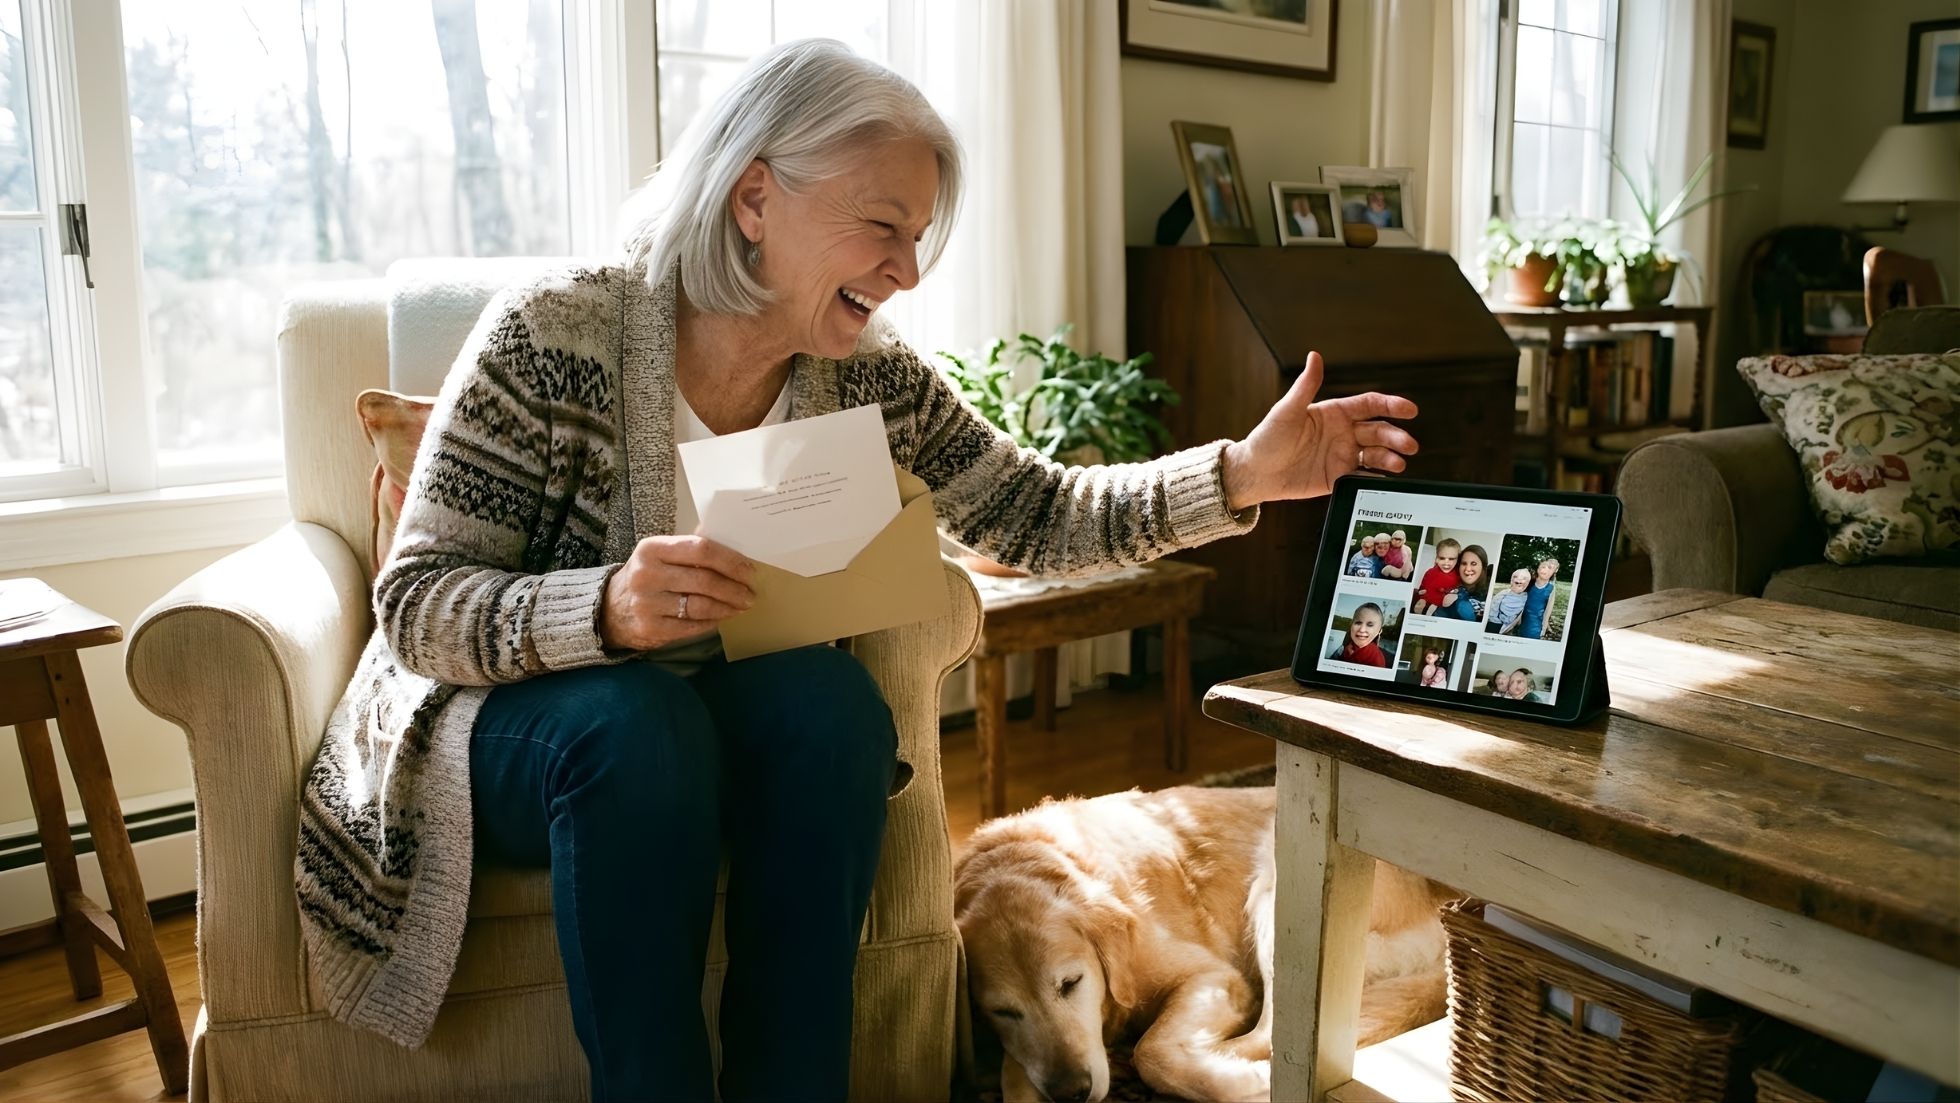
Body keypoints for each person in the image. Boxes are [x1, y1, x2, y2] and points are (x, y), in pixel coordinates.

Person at [296, 39, 1422, 1103]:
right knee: (634, 726)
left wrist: (1238, 475)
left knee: (831, 705)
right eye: (882, 224)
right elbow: (415, 604)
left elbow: (1035, 510)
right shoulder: (553, 333)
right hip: (510, 732)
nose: (909, 269)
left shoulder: (866, 377)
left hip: (704, 718)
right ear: (753, 200)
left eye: (920, 232)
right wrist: (603, 604)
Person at [1436, 544, 1491, 622]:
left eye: (1473, 564)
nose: (1467, 569)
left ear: (1483, 567)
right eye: (1464, 563)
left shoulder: (1490, 595)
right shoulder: (1448, 589)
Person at [1327, 603, 1391, 667]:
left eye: (1370, 625)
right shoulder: (1344, 647)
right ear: (1351, 625)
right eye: (1358, 623)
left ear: (1379, 631)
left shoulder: (1376, 660)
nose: (1362, 630)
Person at [1412, 538, 1460, 614]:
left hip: (1440, 609)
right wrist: (1422, 598)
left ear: (1457, 560)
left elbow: (1456, 594)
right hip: (1424, 602)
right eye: (1442, 558)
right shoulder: (1430, 572)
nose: (1446, 563)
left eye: (1451, 559)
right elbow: (1422, 588)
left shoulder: (1458, 576)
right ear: (1437, 558)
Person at [1519, 557, 1560, 640]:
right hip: (1520, 617)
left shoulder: (1551, 588)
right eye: (1545, 566)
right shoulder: (1531, 580)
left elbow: (1548, 609)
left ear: (1555, 571)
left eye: (1551, 568)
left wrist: (1544, 626)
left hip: (1535, 622)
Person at [1488, 568, 1532, 634]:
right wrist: (1496, 622)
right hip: (1496, 623)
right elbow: (1493, 609)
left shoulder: (1525, 597)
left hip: (1510, 626)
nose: (1519, 579)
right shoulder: (1503, 594)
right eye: (1515, 577)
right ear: (1511, 581)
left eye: (1524, 578)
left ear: (1527, 583)